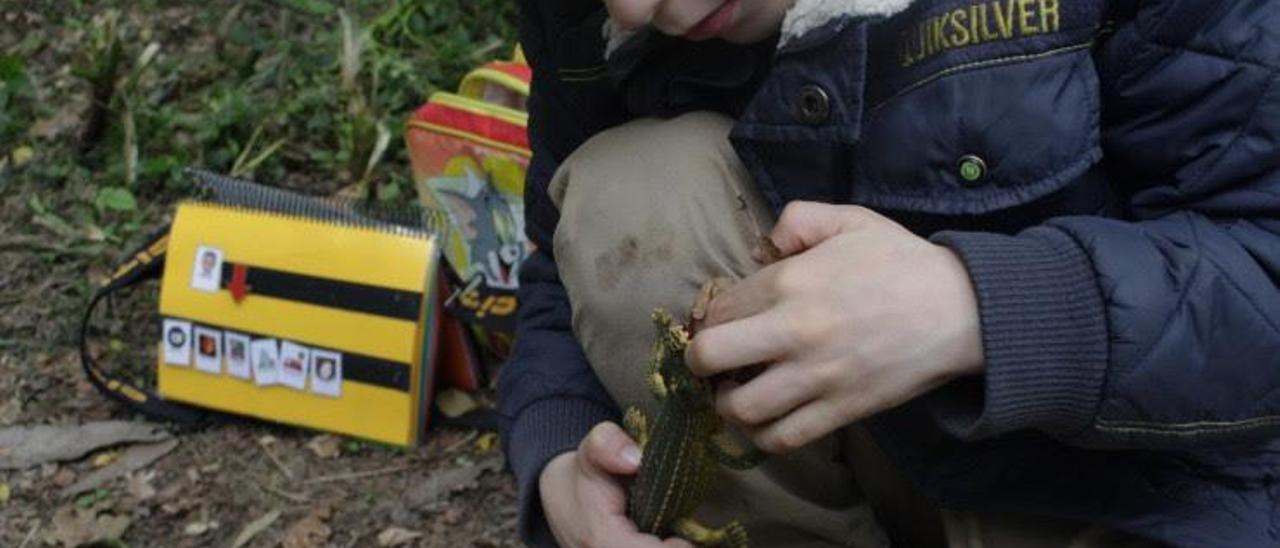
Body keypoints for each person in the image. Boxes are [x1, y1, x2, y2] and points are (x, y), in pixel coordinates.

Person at [498, 0, 1280, 546]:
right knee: (632, 189)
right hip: (877, 480)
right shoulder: (587, 17)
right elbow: (555, 266)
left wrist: (977, 310)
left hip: (1138, 494)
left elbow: (1260, 266)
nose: (631, 10)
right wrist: (560, 454)